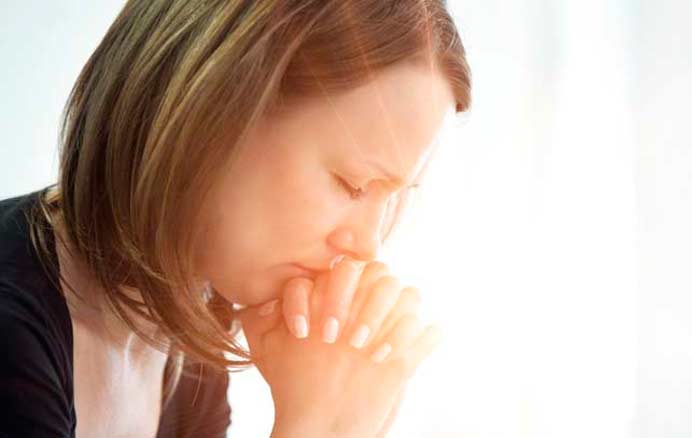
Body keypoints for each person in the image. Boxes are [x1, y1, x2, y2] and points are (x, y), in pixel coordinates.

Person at [0, 0, 471, 436]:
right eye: (353, 184)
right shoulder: (13, 329)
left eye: (394, 199)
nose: (368, 245)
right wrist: (314, 425)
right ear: (212, 114)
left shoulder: (188, 329)